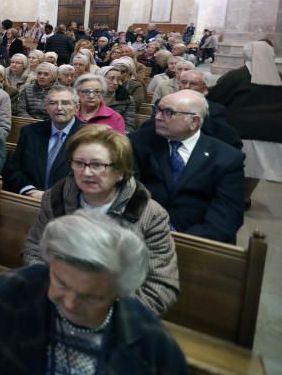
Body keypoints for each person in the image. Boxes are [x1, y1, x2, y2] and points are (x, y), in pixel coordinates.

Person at [0, 211, 191, 375]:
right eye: (60, 283)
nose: (70, 303)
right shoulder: (8, 293)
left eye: (91, 297)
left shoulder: (152, 344)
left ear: (119, 291)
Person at [23, 125, 179, 315]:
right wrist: (56, 293)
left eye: (97, 165)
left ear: (120, 171)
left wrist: (102, 310)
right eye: (79, 163)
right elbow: (35, 250)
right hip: (55, 301)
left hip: (114, 315)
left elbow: (160, 286)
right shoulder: (55, 199)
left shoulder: (149, 214)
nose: (86, 172)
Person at [130, 90, 246, 243]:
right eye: (158, 110)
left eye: (168, 112)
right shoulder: (139, 141)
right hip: (141, 235)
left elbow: (227, 216)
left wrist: (183, 243)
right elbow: (128, 191)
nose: (157, 117)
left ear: (194, 122)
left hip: (199, 244)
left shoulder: (227, 158)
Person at [207, 40, 282, 206]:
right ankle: (245, 197)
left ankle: (226, 195)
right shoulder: (279, 78)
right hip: (272, 132)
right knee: (256, 169)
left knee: (235, 165)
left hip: (240, 130)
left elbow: (217, 98)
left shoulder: (236, 75)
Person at [4, 85, 84, 197]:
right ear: (46, 107)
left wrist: (54, 196)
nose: (59, 108)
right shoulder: (30, 132)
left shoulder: (89, 136)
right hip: (31, 200)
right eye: (53, 103)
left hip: (68, 205)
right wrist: (30, 190)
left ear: (76, 108)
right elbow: (13, 169)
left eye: (65, 103)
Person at [100, 65, 137, 133]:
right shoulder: (91, 97)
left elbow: (129, 126)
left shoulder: (127, 99)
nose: (115, 83)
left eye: (118, 79)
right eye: (111, 78)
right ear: (101, 79)